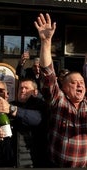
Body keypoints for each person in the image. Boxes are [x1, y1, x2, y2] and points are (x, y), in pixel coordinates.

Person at [34, 13, 87, 167]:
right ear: (63, 87)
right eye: (74, 83)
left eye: (82, 82)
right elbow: (48, 75)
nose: (80, 85)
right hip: (57, 166)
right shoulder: (59, 101)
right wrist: (46, 42)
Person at [0, 78, 49, 168]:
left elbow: (37, 119)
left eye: (26, 88)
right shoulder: (11, 104)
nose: (22, 90)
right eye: (20, 88)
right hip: (11, 162)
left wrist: (12, 110)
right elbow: (1, 124)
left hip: (32, 163)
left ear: (35, 92)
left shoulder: (41, 105)